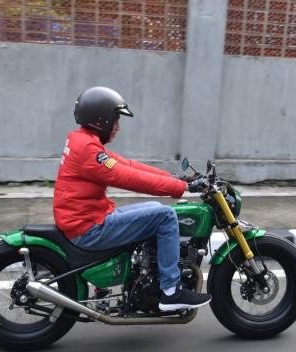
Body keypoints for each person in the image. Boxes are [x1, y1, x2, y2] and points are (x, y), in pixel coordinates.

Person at [53, 86, 211, 311]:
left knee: (156, 208)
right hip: (88, 228)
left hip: (90, 217)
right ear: (102, 120)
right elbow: (127, 177)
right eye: (116, 120)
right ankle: (170, 291)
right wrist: (183, 187)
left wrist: (174, 178)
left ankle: (150, 275)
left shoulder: (83, 141)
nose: (118, 127)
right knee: (165, 216)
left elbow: (126, 165)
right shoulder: (88, 149)